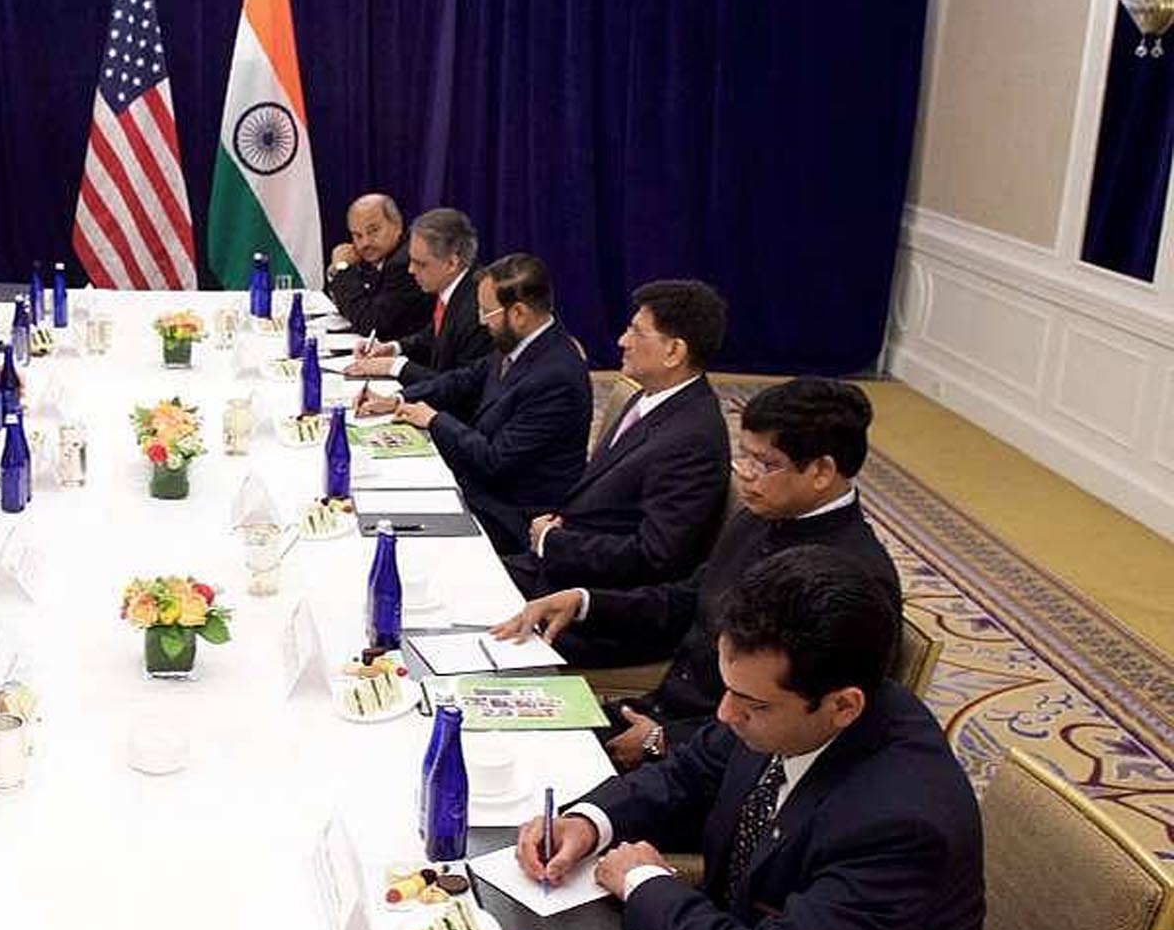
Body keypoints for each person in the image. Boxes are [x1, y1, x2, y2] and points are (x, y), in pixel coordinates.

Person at [517, 548, 1020, 930]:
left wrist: (645, 881)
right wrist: (589, 822)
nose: (726, 715)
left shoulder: (903, 822)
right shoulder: (782, 711)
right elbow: (687, 772)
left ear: (844, 706)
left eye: (751, 705)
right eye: (728, 691)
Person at [495, 377, 899, 769]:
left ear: (822, 472)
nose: (745, 474)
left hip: (712, 756)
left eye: (765, 464)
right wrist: (584, 601)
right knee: (497, 730)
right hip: (659, 714)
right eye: (745, 456)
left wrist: (664, 740)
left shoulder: (855, 578)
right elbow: (688, 598)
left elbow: (801, 722)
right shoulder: (760, 517)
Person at [506, 279, 730, 594]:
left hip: (587, 592)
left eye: (637, 332)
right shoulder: (648, 396)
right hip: (561, 558)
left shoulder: (692, 440)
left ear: (674, 351)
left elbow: (654, 556)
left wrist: (553, 542)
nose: (623, 341)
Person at [354, 253, 589, 554]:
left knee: (389, 528)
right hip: (480, 484)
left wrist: (434, 419)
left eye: (487, 312)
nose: (480, 320)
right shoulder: (521, 341)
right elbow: (464, 379)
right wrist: (398, 399)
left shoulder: (556, 377)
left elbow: (495, 460)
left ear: (519, 313)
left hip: (511, 513)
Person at [341, 207, 493, 388]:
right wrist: (394, 348)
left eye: (420, 264)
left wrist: (395, 367)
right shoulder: (456, 287)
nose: (411, 270)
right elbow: (433, 336)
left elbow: (462, 386)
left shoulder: (479, 308)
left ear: (452, 263)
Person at [323, 193, 432, 341]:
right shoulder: (375, 257)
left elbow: (369, 323)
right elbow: (349, 305)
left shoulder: (405, 263)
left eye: (373, 231)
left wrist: (342, 269)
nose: (365, 243)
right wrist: (337, 272)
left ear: (398, 225)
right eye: (357, 235)